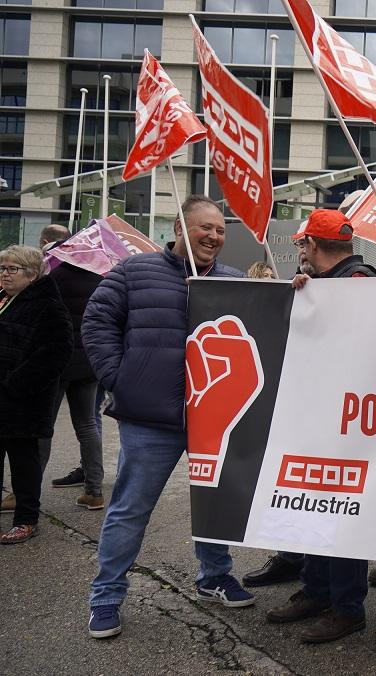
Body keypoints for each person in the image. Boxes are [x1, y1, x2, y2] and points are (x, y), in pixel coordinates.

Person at [82, 195, 254, 640]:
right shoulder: (134, 271)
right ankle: (106, 596)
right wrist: (121, 379)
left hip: (213, 420)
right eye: (205, 227)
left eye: (220, 230)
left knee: (215, 504)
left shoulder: (235, 281)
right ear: (179, 227)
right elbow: (97, 322)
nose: (214, 236)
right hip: (150, 420)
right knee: (130, 509)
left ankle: (214, 576)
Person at [263, 210, 375, 644]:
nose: (300, 252)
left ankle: (347, 608)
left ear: (311, 244)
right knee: (312, 507)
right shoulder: (328, 282)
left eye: (301, 244)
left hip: (347, 423)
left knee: (341, 515)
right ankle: (316, 590)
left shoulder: (359, 282)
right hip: (319, 417)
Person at [0, 245, 73, 543]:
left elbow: (57, 352)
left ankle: (26, 519)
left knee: (23, 462)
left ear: (32, 275)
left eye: (12, 269)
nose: (5, 274)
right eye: (2, 268)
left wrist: (14, 385)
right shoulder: (6, 297)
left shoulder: (48, 305)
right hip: (5, 398)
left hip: (22, 402)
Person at [41, 232, 106, 510]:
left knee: (43, 427)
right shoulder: (99, 277)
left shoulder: (51, 275)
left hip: (56, 361)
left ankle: (24, 491)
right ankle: (94, 490)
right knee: (88, 425)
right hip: (88, 363)